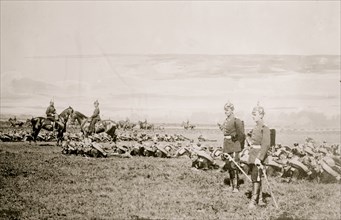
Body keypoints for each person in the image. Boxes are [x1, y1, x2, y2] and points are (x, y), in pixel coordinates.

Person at [247, 103, 271, 209]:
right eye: (252, 114)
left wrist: (259, 158)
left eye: (255, 114)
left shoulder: (264, 128)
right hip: (253, 155)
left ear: (261, 115)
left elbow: (266, 145)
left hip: (258, 157)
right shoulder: (256, 127)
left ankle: (253, 201)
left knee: (256, 178)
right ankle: (260, 199)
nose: (253, 116)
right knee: (255, 178)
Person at [221, 101, 245, 192]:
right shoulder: (226, 120)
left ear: (232, 110)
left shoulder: (236, 120)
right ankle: (231, 185)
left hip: (234, 145)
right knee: (229, 166)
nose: (225, 111)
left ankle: (236, 187)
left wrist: (238, 145)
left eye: (227, 110)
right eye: (225, 110)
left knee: (234, 165)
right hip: (227, 145)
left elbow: (242, 134)